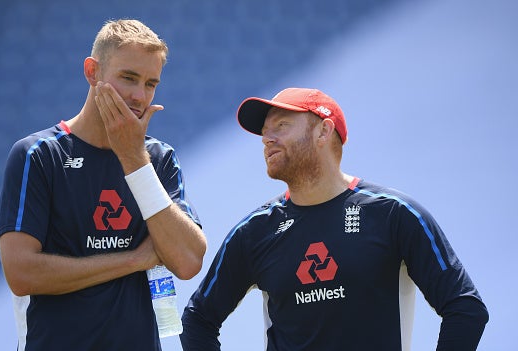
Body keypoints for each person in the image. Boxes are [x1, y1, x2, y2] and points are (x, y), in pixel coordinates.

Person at [180, 88, 488, 350]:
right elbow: (198, 318)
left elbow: (465, 308)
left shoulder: (394, 214)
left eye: (281, 126)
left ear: (323, 132)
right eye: (264, 132)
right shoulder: (254, 232)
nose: (266, 139)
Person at [0, 19, 207, 351]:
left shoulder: (158, 158)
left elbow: (188, 261)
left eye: (151, 84)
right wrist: (134, 259)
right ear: (92, 71)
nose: (140, 96)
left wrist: (134, 158)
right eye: (128, 78)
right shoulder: (39, 155)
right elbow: (21, 274)